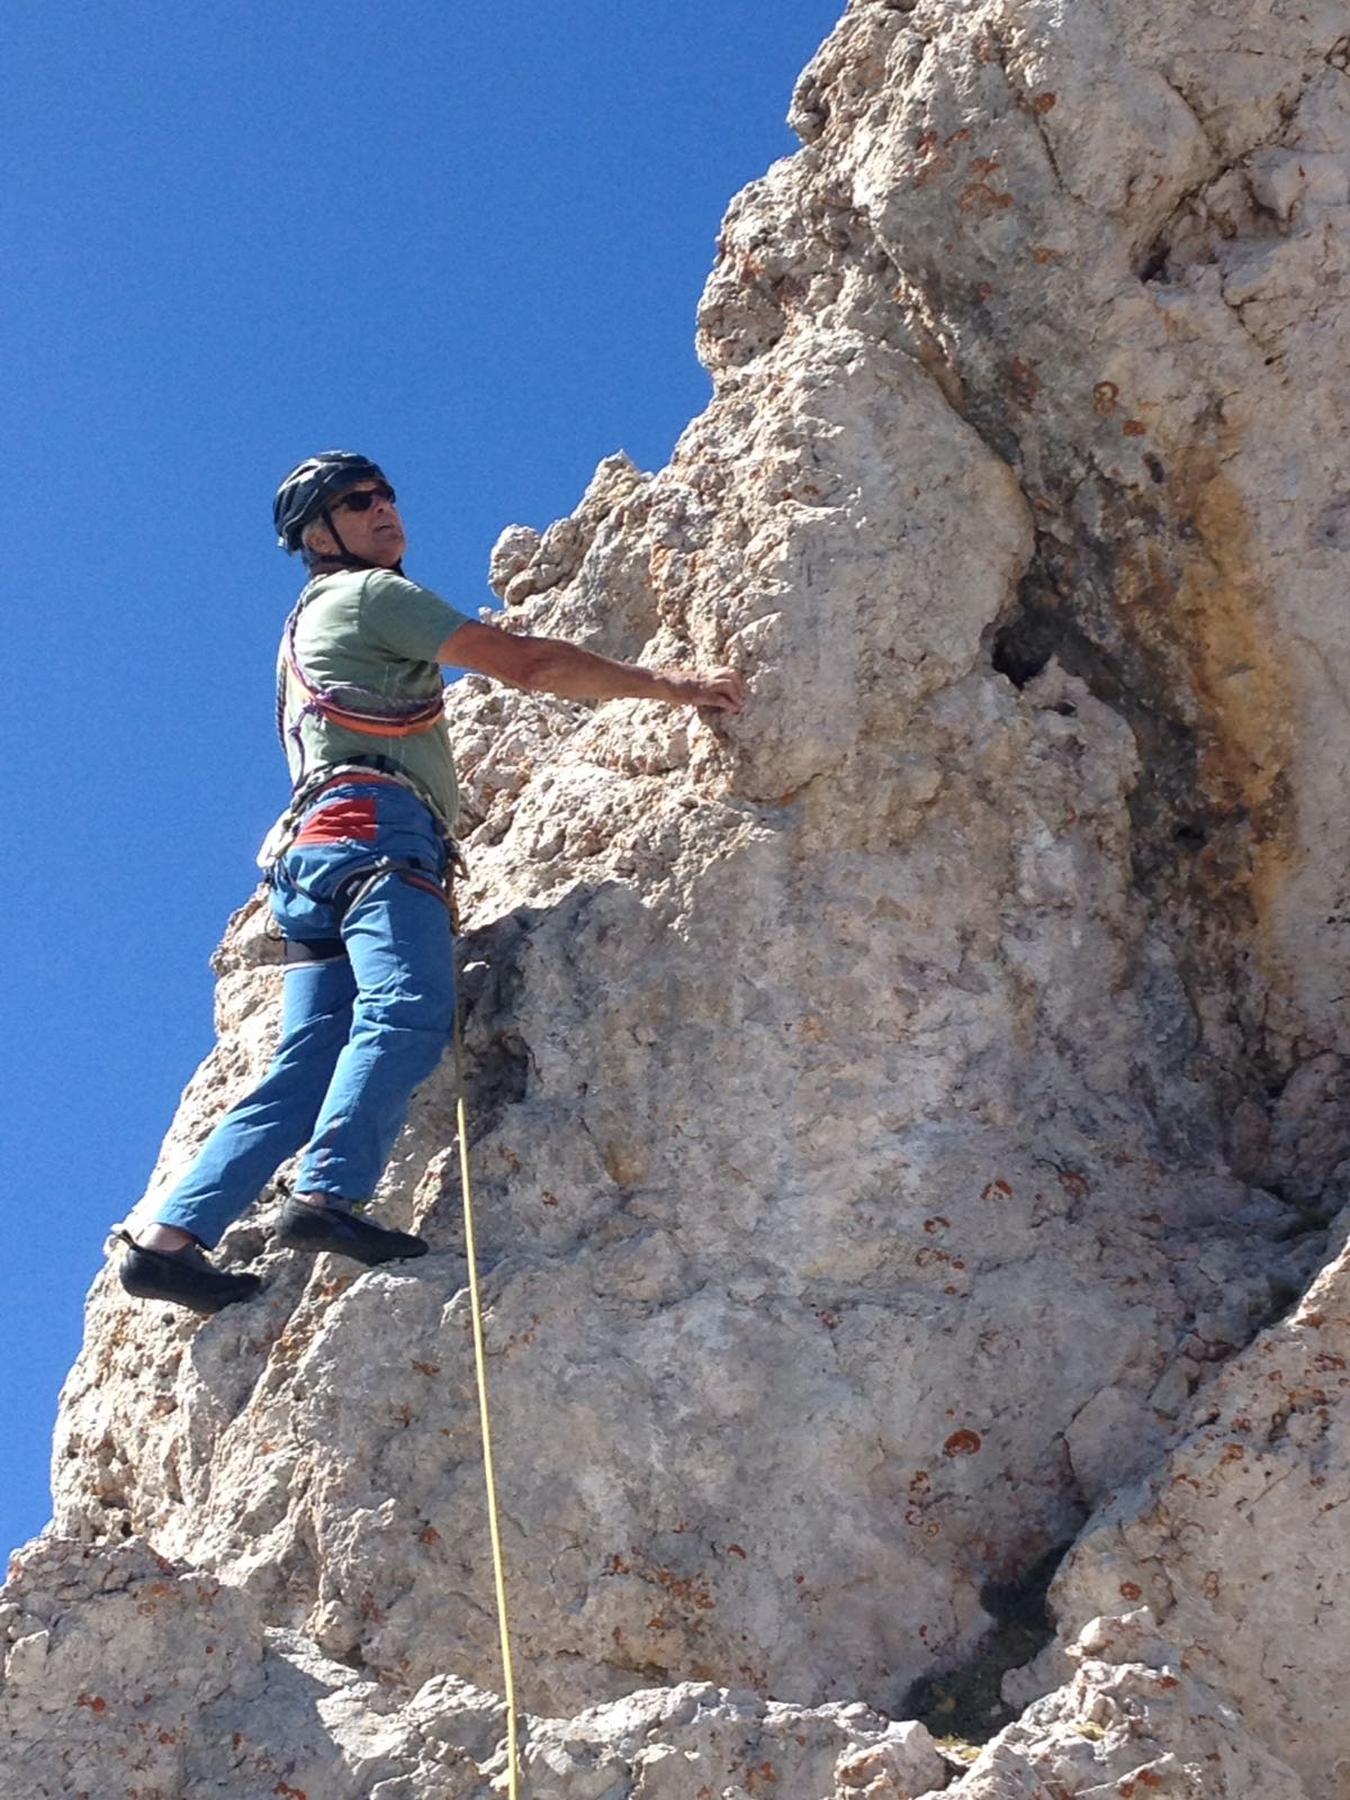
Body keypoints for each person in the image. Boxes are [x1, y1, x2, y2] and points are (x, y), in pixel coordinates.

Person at [116, 451, 745, 1313]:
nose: (386, 510)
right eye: (356, 502)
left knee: (305, 1063)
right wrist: (669, 686)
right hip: (378, 832)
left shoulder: (298, 630)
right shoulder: (373, 596)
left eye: (385, 495)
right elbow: (526, 665)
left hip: (309, 858)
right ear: (317, 534)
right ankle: (329, 1195)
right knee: (408, 1007)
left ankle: (168, 1240)